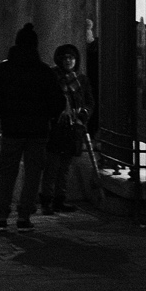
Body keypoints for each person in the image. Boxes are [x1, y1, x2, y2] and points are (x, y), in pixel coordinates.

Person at [0, 23, 67, 231]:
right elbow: (58, 101)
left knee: (7, 172)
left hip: (12, 130)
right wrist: (46, 116)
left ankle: (1, 215)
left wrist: (5, 114)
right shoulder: (44, 71)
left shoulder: (4, 69)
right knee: (33, 173)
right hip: (38, 131)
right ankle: (24, 217)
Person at [43, 43, 93, 214]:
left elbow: (89, 102)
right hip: (56, 127)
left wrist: (82, 116)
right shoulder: (52, 77)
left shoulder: (81, 79)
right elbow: (47, 100)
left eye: (71, 58)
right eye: (65, 58)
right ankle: (46, 201)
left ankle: (59, 200)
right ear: (59, 59)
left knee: (65, 167)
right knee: (52, 166)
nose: (68, 61)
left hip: (74, 128)